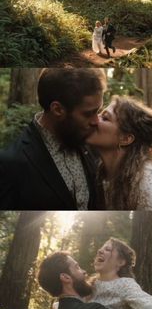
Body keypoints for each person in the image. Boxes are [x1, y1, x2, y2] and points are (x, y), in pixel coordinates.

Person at [0, 68, 106, 210]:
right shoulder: (11, 163)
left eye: (98, 111)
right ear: (57, 109)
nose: (96, 121)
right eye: (88, 114)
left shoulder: (90, 142)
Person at [86, 95, 152, 210]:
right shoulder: (101, 174)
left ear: (126, 139)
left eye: (105, 118)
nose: (95, 119)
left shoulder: (147, 178)